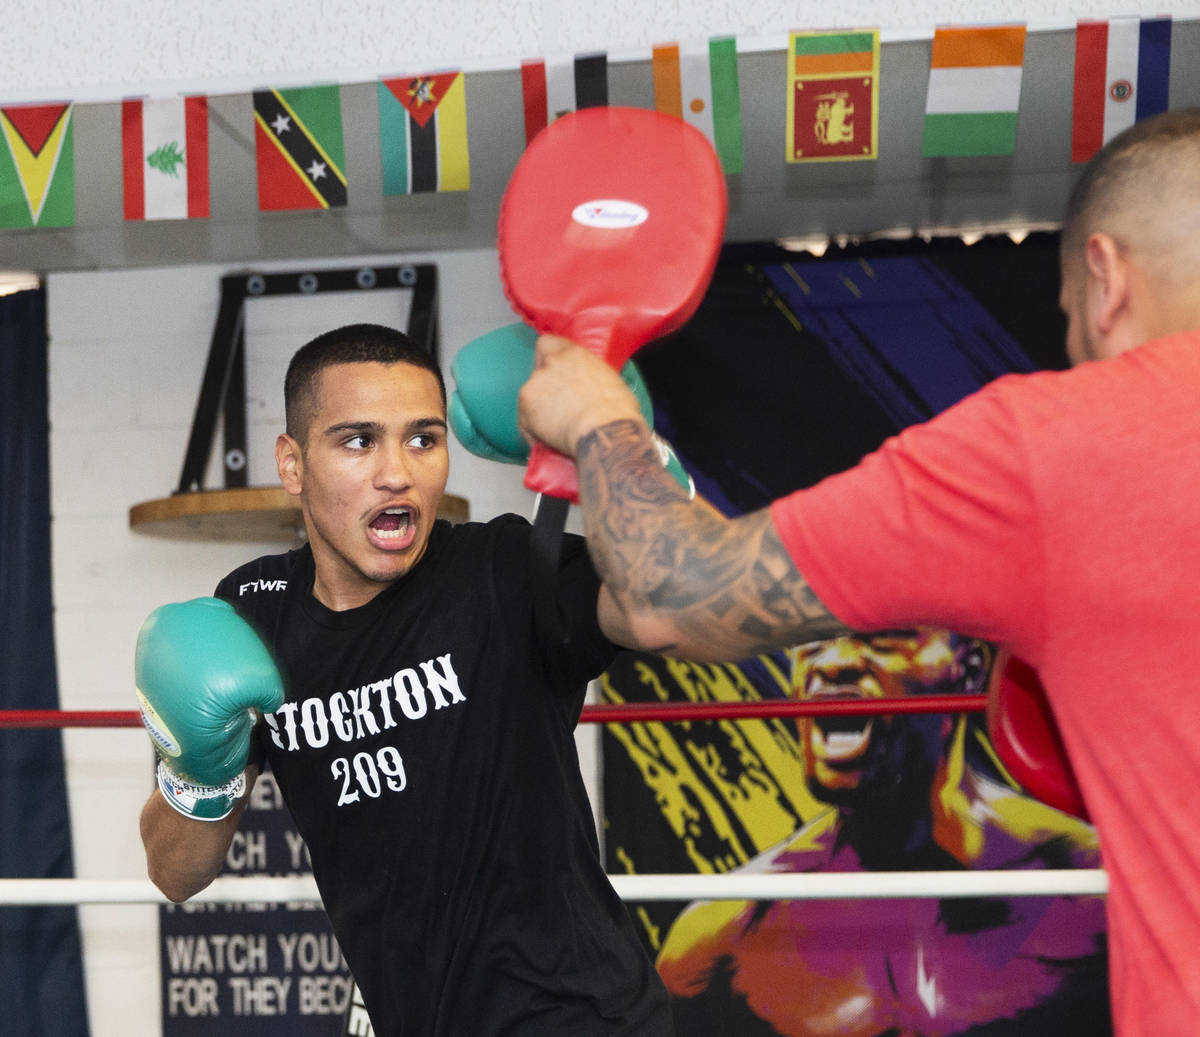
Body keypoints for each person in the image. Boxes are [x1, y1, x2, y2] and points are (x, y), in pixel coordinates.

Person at [517, 108, 1200, 1036]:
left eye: (1072, 323)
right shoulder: (737, 928)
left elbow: (673, 595)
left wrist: (597, 417)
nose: (1077, 347)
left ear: (1104, 276)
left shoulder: (1064, 443)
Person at [136, 323, 675, 1036]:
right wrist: (198, 766)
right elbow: (176, 874)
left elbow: (675, 604)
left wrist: (628, 453)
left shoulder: (502, 572)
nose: (398, 471)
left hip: (577, 1015)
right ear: (293, 465)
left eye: (423, 438)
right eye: (358, 440)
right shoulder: (256, 612)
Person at [657, 629, 1108, 1036]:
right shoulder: (721, 938)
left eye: (882, 635)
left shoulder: (1095, 889)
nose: (831, 663)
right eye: (811, 637)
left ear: (968, 670)